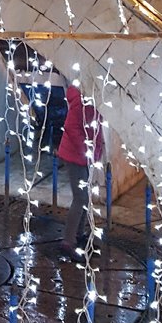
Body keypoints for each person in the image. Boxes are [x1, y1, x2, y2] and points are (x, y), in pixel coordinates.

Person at [56, 83, 105, 260]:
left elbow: (96, 129)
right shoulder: (82, 101)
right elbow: (71, 127)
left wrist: (96, 151)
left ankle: (78, 235)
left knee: (85, 198)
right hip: (74, 156)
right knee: (81, 198)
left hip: (84, 156)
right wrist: (87, 149)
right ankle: (68, 242)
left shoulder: (95, 101)